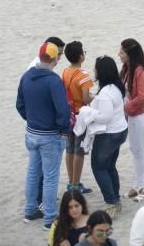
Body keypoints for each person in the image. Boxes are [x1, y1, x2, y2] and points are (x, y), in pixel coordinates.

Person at [17, 41, 72, 227]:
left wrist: (31, 119)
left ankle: (30, 209)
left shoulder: (26, 76)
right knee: (50, 177)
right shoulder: (53, 80)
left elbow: (20, 105)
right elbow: (63, 110)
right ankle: (50, 217)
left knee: (33, 173)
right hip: (50, 135)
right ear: (55, 59)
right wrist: (64, 130)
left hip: (32, 133)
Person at [89, 55, 129, 218]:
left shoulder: (105, 92)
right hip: (120, 130)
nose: (94, 71)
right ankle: (116, 198)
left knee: (98, 167)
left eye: (96, 68)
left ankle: (111, 201)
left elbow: (105, 117)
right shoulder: (117, 87)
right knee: (110, 166)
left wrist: (89, 115)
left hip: (109, 134)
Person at [120, 39, 144, 202]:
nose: (119, 54)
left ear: (130, 54)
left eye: (122, 52)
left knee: (143, 151)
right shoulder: (128, 69)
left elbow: (143, 97)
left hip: (140, 115)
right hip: (134, 115)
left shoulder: (140, 71)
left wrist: (125, 108)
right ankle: (138, 184)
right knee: (135, 151)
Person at [61, 42, 94, 194]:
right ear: (81, 55)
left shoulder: (65, 72)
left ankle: (70, 182)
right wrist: (94, 97)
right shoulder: (83, 75)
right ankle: (76, 184)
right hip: (80, 116)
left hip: (69, 115)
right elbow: (86, 98)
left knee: (69, 149)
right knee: (78, 150)